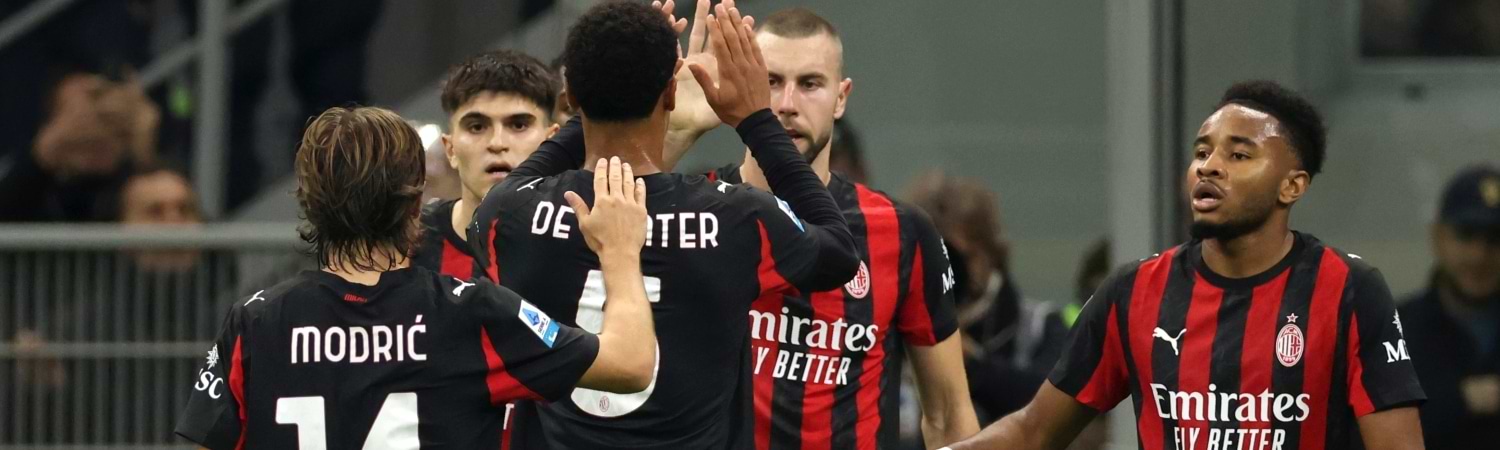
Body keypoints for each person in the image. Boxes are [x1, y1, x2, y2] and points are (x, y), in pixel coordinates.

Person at [946, 80, 1427, 450]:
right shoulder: (1134, 292)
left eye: (1239, 154)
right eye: (1202, 151)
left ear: (1292, 186)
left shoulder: (1348, 290)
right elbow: (1033, 432)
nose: (1210, 166)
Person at [469, 1, 858, 448]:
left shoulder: (509, 213)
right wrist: (754, 118)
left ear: (571, 94)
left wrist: (612, 81)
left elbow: (518, 185)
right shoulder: (736, 217)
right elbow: (839, 252)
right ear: (671, 96)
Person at [173, 105, 657, 449]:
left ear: (309, 204)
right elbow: (630, 365)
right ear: (414, 201)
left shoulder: (257, 322)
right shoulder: (471, 312)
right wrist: (618, 251)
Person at [671, 5, 977, 448]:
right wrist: (677, 133)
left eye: (810, 84)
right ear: (743, 87)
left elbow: (950, 417)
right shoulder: (692, 209)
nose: (787, 104)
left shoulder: (903, 231)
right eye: (770, 82)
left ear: (841, 97)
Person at [412, 50, 561, 280]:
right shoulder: (405, 245)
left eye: (519, 125)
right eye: (477, 127)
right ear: (450, 149)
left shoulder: (589, 243)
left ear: (551, 142)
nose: (497, 143)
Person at [1399, 164, 1500, 449]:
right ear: (1439, 237)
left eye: (1495, 238)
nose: (1480, 256)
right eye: (1466, 235)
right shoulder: (1393, 331)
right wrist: (1459, 401)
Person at [0, 72, 160, 222]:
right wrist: (47, 150)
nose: (92, 132)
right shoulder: (33, 186)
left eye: (104, 118)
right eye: (76, 117)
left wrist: (143, 145)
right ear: (51, 122)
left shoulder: (131, 181)